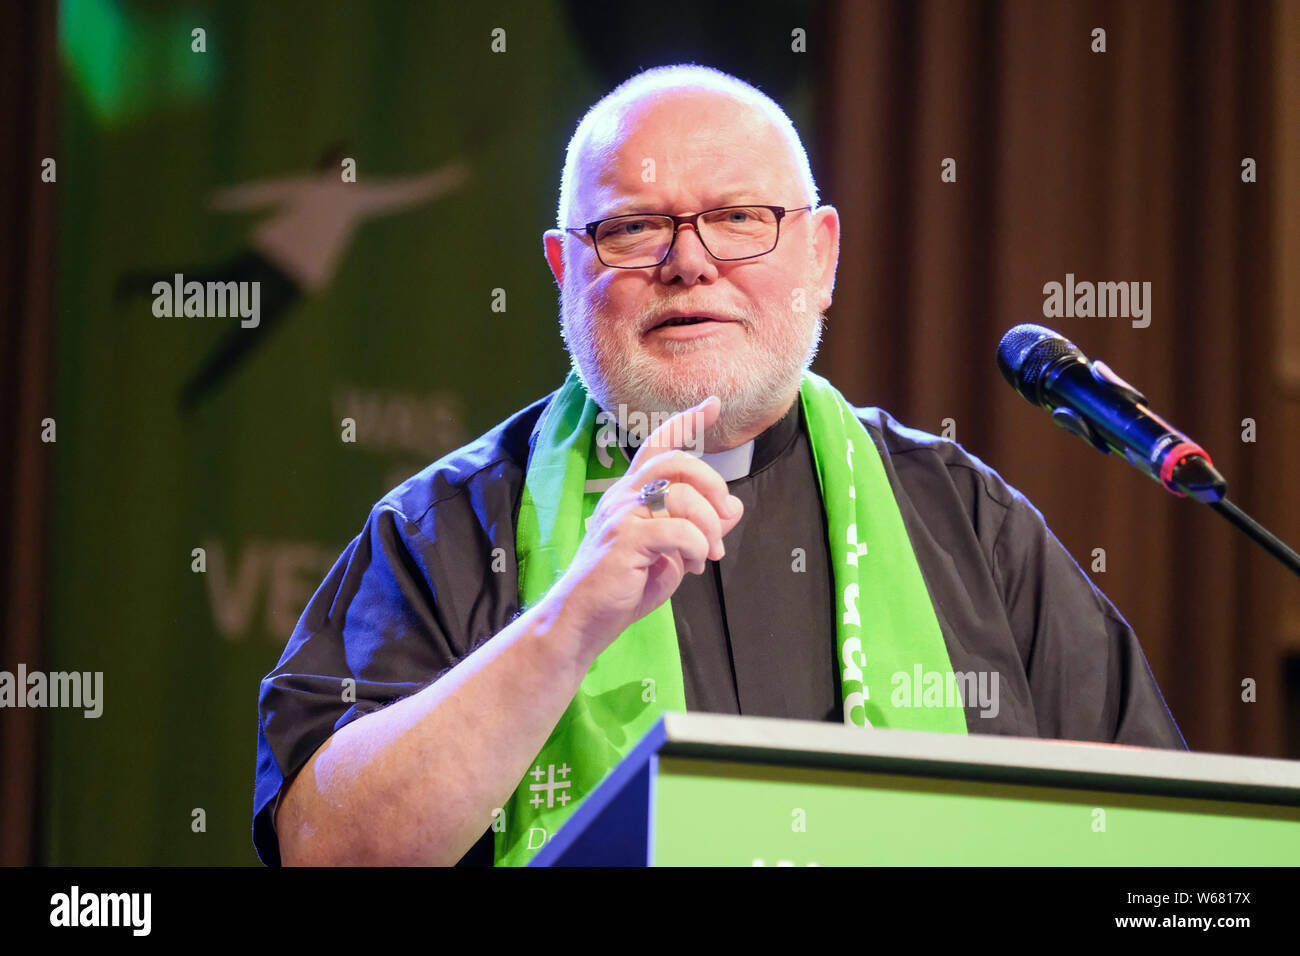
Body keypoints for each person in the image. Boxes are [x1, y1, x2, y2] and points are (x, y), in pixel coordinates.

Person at [253, 64, 1185, 867]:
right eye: (631, 230)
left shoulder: (968, 522)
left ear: (822, 255)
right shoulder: (445, 528)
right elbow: (327, 849)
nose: (688, 262)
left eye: (739, 218)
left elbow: (1167, 846)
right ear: (564, 271)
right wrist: (566, 624)